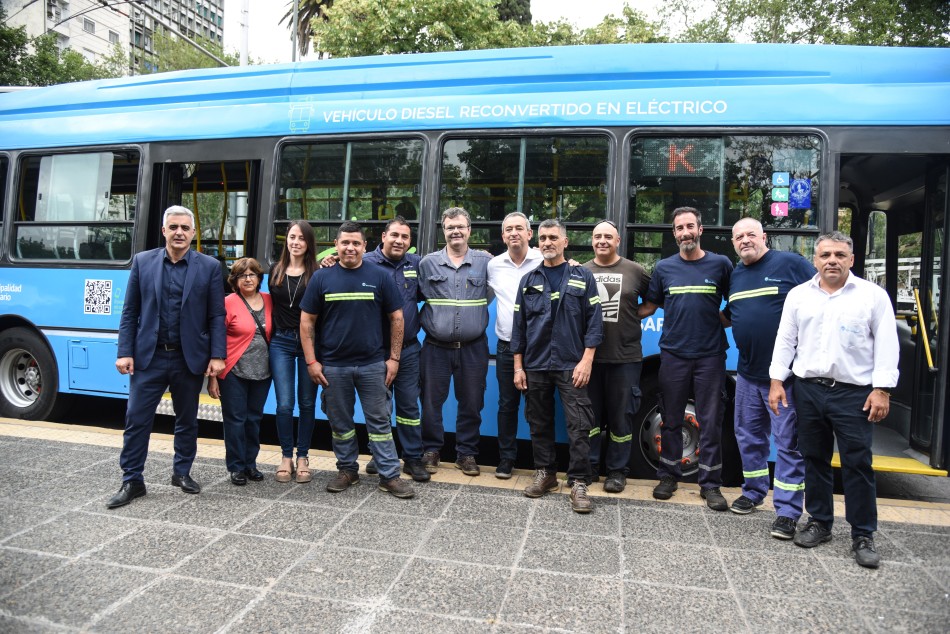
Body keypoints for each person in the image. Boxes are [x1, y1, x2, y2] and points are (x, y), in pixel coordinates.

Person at [769, 231, 898, 568]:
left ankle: (862, 534)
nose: (832, 261)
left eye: (840, 255)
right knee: (814, 458)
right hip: (809, 389)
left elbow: (887, 344)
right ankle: (820, 522)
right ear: (816, 259)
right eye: (825, 255)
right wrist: (777, 381)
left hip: (854, 393)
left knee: (858, 463)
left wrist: (882, 389)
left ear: (851, 260)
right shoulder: (799, 296)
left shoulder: (872, 296)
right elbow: (785, 340)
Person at [107, 206, 226, 509]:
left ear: (193, 233)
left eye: (185, 228)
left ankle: (182, 472)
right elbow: (130, 311)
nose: (179, 233)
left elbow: (216, 315)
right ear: (164, 231)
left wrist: (216, 356)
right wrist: (124, 352)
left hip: (189, 359)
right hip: (149, 358)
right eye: (173, 227)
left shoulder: (210, 267)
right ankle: (132, 480)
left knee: (187, 420)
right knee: (137, 420)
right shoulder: (143, 262)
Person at [299, 221, 414, 499]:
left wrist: (394, 359)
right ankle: (347, 470)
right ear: (336, 246)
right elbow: (306, 322)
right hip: (333, 367)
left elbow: (397, 319)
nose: (350, 247)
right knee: (340, 423)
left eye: (355, 243)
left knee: (380, 423)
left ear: (364, 246)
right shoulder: (321, 278)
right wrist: (312, 362)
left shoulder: (380, 276)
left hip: (373, 365)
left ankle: (389, 475)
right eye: (344, 242)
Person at [722, 218, 814, 538]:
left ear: (764, 236)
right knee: (749, 436)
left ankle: (788, 511)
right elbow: (732, 315)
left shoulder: (791, 264)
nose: (745, 240)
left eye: (751, 234)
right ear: (734, 243)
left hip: (784, 377)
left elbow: (822, 299)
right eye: (739, 237)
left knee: (788, 444)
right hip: (747, 374)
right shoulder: (736, 276)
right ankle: (753, 491)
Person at [639, 206, 733, 511]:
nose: (685, 233)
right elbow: (650, 305)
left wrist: (723, 318)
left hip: (709, 356)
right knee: (671, 418)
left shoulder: (721, 265)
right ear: (674, 234)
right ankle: (668, 476)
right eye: (679, 228)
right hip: (673, 355)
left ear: (700, 230)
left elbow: (738, 299)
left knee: (710, 421)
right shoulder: (664, 268)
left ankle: (710, 485)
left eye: (690, 226)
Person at [511, 219, 603, 513]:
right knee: (538, 422)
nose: (547, 242)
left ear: (565, 242)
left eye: (553, 237)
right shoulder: (528, 280)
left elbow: (594, 322)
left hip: (571, 363)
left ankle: (578, 482)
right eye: (543, 238)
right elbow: (518, 328)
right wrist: (518, 366)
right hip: (536, 363)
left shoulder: (582, 276)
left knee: (579, 424)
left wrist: (587, 360)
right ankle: (546, 474)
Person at [417, 207, 493, 476]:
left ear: (469, 230)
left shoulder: (486, 262)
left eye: (460, 226)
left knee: (472, 402)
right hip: (435, 348)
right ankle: (431, 450)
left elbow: (497, 289)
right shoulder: (427, 263)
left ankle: (467, 454)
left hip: (474, 348)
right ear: (444, 231)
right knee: (430, 402)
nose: (455, 231)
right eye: (450, 227)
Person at [583, 220, 651, 493]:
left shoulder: (636, 271)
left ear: (618, 241)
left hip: (626, 359)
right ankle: (588, 468)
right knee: (589, 420)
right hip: (589, 360)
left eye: (608, 237)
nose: (602, 241)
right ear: (592, 240)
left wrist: (633, 315)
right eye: (597, 236)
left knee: (622, 420)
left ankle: (616, 472)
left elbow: (654, 300)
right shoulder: (581, 271)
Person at [362, 216, 429, 482]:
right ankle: (380, 454)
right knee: (378, 407)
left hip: (409, 350)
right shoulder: (364, 262)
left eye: (405, 237)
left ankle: (413, 458)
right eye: (395, 235)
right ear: (383, 236)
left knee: (409, 407)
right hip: (374, 350)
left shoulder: (416, 263)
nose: (399, 241)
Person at [207, 258, 273, 486]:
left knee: (254, 419)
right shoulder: (227, 302)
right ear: (234, 280)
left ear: (259, 278)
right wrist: (213, 378)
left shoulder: (269, 300)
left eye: (252, 274)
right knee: (235, 420)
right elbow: (216, 339)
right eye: (242, 275)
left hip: (263, 371)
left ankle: (250, 464)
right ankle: (236, 466)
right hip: (233, 370)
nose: (248, 279)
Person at [487, 211, 543, 479]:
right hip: (507, 347)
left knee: (538, 406)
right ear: (503, 236)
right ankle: (506, 458)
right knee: (507, 405)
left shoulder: (544, 260)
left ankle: (542, 463)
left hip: (539, 348)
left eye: (519, 228)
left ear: (529, 234)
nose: (513, 233)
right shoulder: (493, 265)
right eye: (508, 229)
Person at [268, 220, 318, 484]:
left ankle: (303, 457)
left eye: (301, 238)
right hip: (281, 343)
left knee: (307, 403)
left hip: (309, 343)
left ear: (308, 243)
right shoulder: (274, 271)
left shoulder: (318, 273)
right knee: (285, 404)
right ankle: (286, 456)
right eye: (291, 237)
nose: (295, 242)